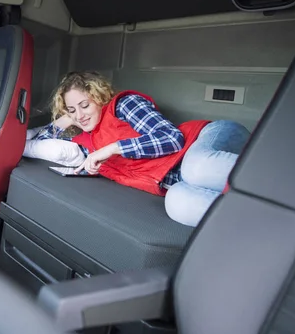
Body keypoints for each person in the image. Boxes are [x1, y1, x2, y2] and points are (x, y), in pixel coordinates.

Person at [34, 71, 250, 226]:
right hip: (180, 180)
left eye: (85, 105)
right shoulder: (86, 142)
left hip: (207, 139)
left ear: (99, 98)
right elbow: (40, 141)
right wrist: (63, 121)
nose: (80, 115)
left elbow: (171, 138)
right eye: (72, 110)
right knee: (177, 203)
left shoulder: (123, 105)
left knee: (196, 169)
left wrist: (112, 148)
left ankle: (279, 181)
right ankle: (267, 221)